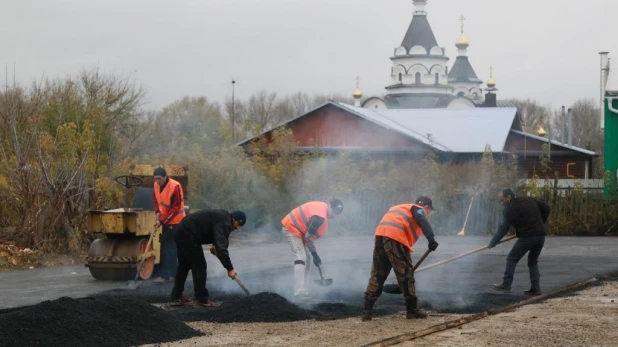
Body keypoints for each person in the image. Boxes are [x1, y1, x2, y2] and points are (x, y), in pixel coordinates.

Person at [362, 196, 439, 321]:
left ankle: (366, 312)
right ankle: (412, 310)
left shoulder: (400, 208)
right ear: (426, 207)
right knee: (406, 273)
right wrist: (431, 238)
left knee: (378, 274)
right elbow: (421, 219)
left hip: (380, 236)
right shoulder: (419, 209)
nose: (427, 213)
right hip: (395, 236)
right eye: (429, 210)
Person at [170, 208, 247, 307]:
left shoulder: (224, 217)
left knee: (184, 266)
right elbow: (222, 250)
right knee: (200, 266)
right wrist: (230, 269)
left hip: (182, 230)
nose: (238, 228)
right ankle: (201, 299)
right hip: (189, 233)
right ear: (235, 220)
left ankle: (176, 296)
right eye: (239, 225)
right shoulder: (225, 221)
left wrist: (215, 245)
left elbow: (216, 233)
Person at [489, 188, 550, 296]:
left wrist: (493, 242)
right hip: (540, 236)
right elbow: (546, 208)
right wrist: (540, 223)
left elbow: (504, 228)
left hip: (528, 237)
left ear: (509, 197)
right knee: (532, 261)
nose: (501, 203)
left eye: (502, 200)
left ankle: (506, 284)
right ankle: (535, 289)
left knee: (511, 259)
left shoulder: (509, 208)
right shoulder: (529, 199)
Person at [281, 199, 344, 298]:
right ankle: (299, 292)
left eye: (337, 213)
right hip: (291, 228)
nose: (335, 215)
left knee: (308, 259)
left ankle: (303, 290)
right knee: (301, 258)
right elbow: (308, 237)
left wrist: (314, 255)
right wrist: (315, 254)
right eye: (334, 211)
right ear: (329, 206)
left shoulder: (323, 219)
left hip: (299, 233)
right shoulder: (319, 215)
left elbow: (308, 238)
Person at [152, 167, 186, 284]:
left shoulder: (174, 186)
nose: (157, 181)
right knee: (170, 248)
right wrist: (157, 213)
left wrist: (162, 221)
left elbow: (175, 208)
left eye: (159, 179)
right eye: (155, 179)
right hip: (166, 221)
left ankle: (165, 275)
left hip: (176, 222)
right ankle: (173, 274)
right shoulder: (156, 185)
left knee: (167, 248)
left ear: (165, 176)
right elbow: (156, 200)